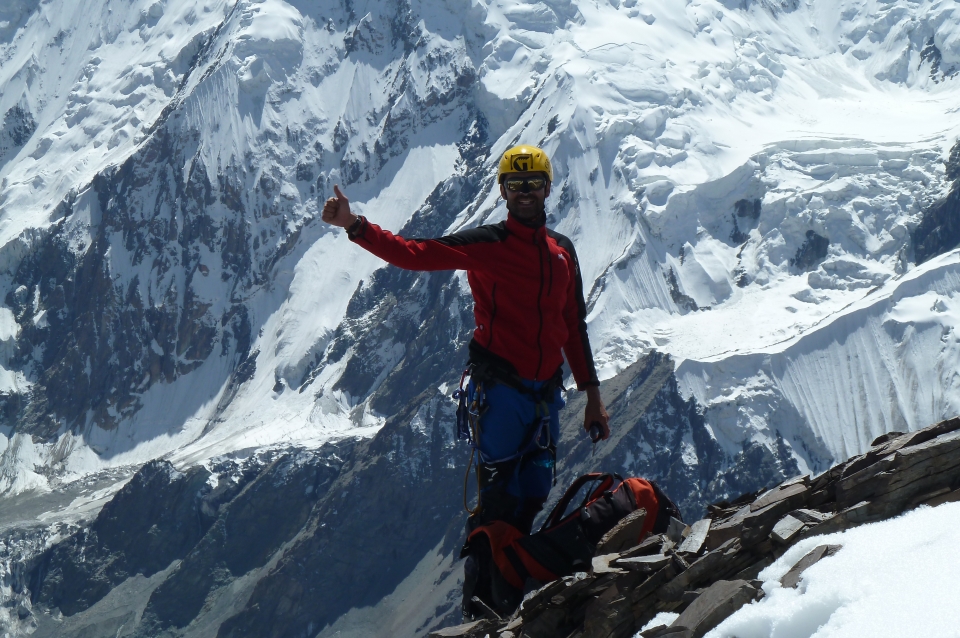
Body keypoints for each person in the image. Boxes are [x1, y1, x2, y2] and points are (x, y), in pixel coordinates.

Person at [321, 145, 610, 615]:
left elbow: (572, 325)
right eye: (515, 185)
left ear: (547, 188)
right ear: (502, 190)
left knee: (533, 494)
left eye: (532, 183)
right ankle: (482, 611)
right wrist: (356, 227)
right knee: (498, 503)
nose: (524, 193)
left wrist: (592, 396)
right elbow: (415, 255)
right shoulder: (488, 245)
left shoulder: (563, 253)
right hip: (499, 394)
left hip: (543, 398)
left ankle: (508, 598)